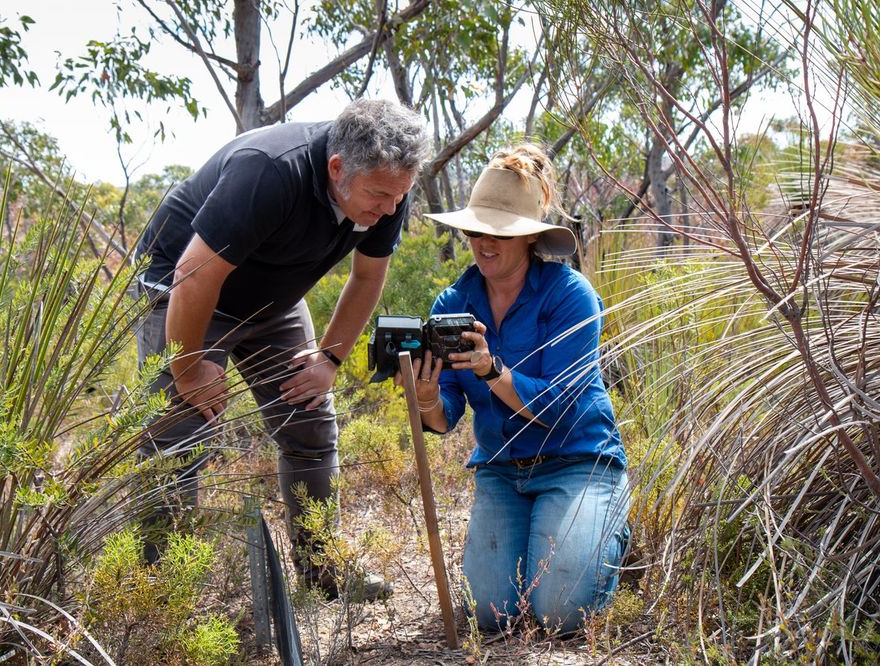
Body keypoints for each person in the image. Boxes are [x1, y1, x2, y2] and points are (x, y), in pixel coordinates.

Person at [134, 98, 428, 600]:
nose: (390, 209)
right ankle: (159, 594)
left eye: (398, 196)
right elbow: (192, 273)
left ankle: (323, 571)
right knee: (177, 436)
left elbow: (368, 275)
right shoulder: (270, 171)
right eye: (380, 195)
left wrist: (329, 361)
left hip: (272, 300)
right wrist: (186, 370)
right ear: (337, 169)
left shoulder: (387, 190)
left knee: (310, 422)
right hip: (184, 291)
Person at [400, 144, 629, 632]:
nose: (483, 242)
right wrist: (425, 401)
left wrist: (491, 369)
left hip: (578, 461)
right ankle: (562, 547)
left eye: (498, 233)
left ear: (528, 239)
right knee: (490, 614)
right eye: (476, 229)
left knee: (560, 611)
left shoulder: (571, 297)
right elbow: (447, 415)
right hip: (503, 471)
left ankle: (603, 534)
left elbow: (558, 412)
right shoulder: (453, 302)